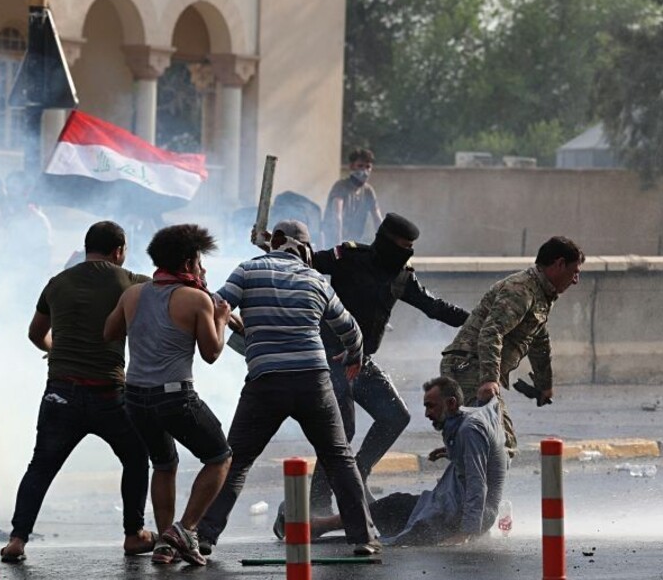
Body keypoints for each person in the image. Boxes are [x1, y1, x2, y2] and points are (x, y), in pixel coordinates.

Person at [196, 220, 380, 556]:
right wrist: (354, 356)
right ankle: (363, 538)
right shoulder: (315, 280)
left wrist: (221, 309)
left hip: (266, 381)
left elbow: (216, 306)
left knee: (236, 461)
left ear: (277, 241)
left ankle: (206, 535)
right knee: (339, 458)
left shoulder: (248, 270)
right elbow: (351, 330)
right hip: (314, 380)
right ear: (302, 248)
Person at [1, 222, 154, 564]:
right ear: (119, 250)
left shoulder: (57, 283)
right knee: (135, 457)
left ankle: (17, 540)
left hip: (60, 394)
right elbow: (168, 292)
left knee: (40, 466)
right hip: (109, 395)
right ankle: (134, 534)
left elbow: (35, 333)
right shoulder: (130, 281)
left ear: (87, 248)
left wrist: (55, 350)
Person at [308, 213, 469, 516]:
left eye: (410, 247)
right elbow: (306, 262)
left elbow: (434, 307)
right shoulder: (349, 257)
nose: (407, 252)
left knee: (395, 416)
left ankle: (358, 473)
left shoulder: (402, 276)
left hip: (361, 361)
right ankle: (318, 501)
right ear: (385, 241)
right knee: (342, 429)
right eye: (402, 246)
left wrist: (475, 321)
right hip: (329, 357)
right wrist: (276, 247)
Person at [104, 224, 232, 566]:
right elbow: (211, 352)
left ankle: (165, 543)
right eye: (200, 262)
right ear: (188, 263)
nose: (203, 269)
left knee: (163, 464)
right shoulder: (196, 299)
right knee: (220, 457)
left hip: (135, 397)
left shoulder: (133, 294)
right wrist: (220, 319)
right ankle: (185, 529)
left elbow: (110, 332)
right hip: (176, 397)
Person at [297, 377, 505, 546]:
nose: (427, 413)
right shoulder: (474, 418)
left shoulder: (469, 430)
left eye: (431, 406)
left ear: (451, 403)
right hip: (455, 506)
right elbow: (487, 450)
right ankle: (328, 525)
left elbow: (477, 483)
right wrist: (450, 451)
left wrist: (467, 533)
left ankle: (319, 525)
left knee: (392, 508)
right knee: (397, 508)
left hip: (456, 513)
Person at [440, 236, 584, 457]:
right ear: (559, 264)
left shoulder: (541, 294)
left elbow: (539, 340)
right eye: (574, 272)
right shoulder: (521, 290)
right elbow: (491, 331)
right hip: (468, 369)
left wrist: (544, 385)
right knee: (500, 445)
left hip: (473, 368)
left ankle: (463, 475)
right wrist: (489, 379)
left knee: (486, 447)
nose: (576, 280)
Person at [321, 148, 384, 246]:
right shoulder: (341, 186)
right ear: (351, 166)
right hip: (333, 240)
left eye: (368, 167)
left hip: (355, 241)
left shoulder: (368, 191)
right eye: (360, 166)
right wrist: (338, 244)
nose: (364, 171)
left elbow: (377, 219)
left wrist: (385, 241)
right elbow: (337, 216)